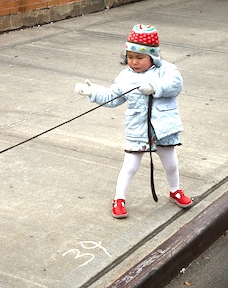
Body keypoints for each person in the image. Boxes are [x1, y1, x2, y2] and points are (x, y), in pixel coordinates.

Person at [74, 24, 193, 219]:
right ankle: (118, 199)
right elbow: (114, 96)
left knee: (170, 163)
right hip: (138, 129)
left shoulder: (167, 70)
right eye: (130, 57)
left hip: (163, 128)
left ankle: (175, 190)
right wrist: (93, 92)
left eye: (140, 58)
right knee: (130, 166)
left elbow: (175, 85)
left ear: (152, 57)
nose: (134, 62)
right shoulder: (125, 76)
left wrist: (154, 87)